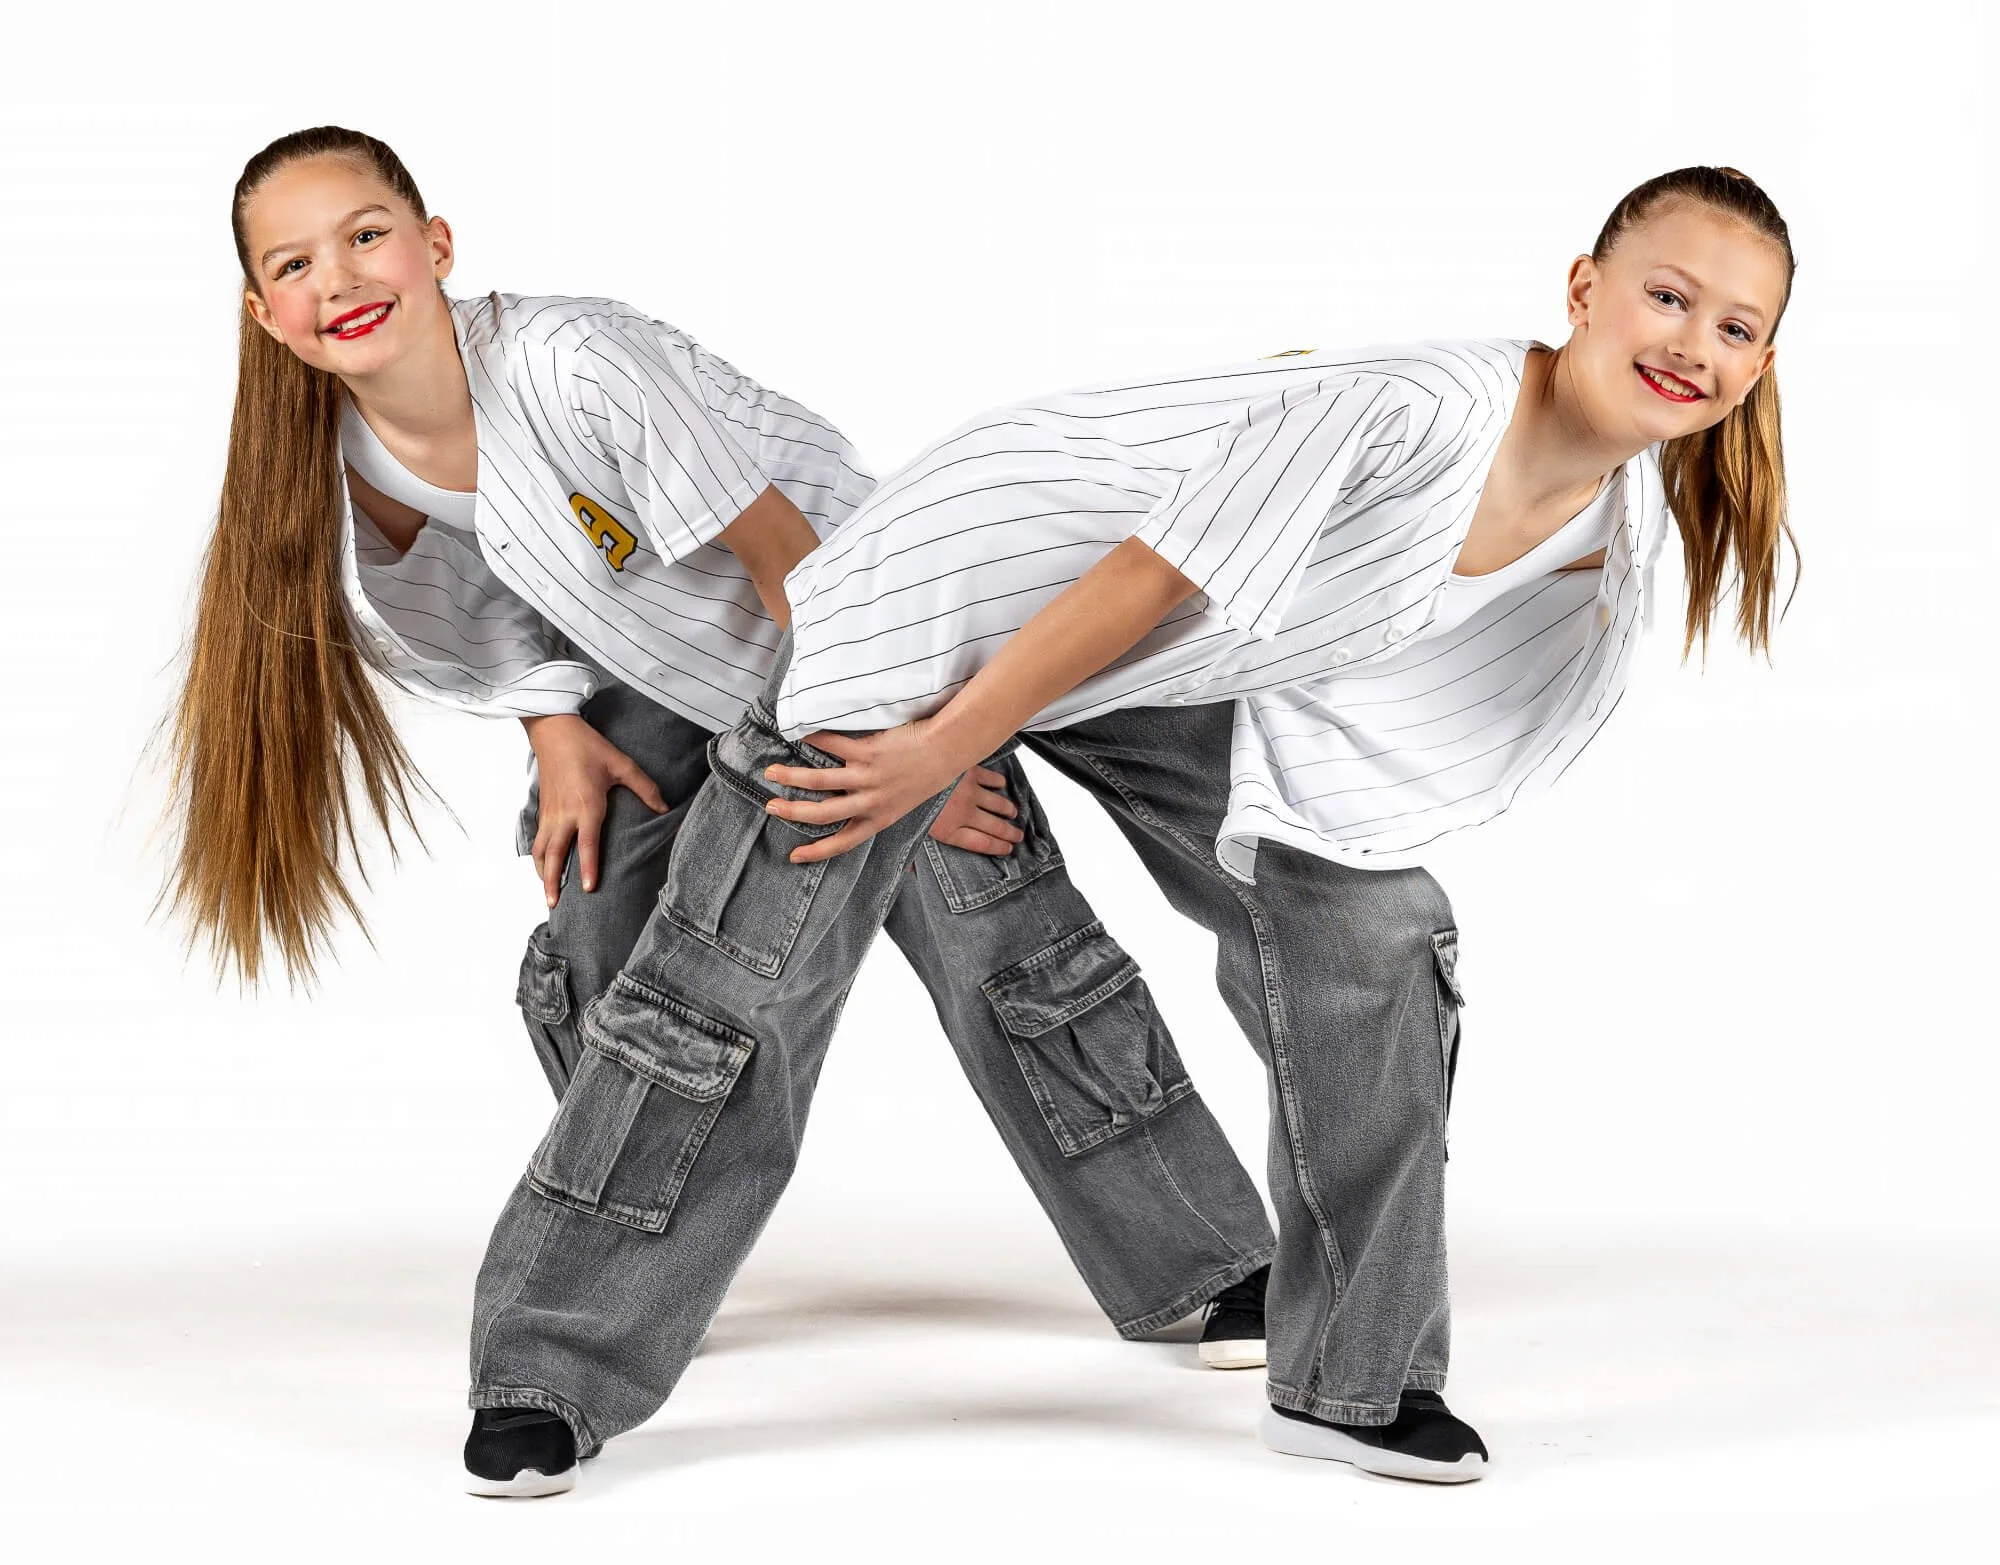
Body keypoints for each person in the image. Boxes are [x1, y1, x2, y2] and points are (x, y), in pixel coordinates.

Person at [463, 165, 1797, 1490]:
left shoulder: (1605, 539)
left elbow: (1364, 693)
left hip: (1177, 667)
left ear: (1760, 362)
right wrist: (943, 745)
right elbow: (1151, 573)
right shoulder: (1413, 408)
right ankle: (548, 1371)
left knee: (1382, 942)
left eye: (1735, 327)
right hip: (951, 609)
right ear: (1585, 290)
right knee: (730, 997)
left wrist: (1309, 868)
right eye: (1667, 297)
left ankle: (1358, 1380)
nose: (1692, 343)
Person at [156, 126, 1283, 1496]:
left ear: (436, 246)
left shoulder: (570, 365)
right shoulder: (335, 484)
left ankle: (1205, 1265)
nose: (340, 274)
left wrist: (925, 752)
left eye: (367, 232)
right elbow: (486, 610)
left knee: (994, 919)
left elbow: (787, 560)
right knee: (597, 939)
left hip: (852, 637)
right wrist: (555, 728)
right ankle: (661, 1215)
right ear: (264, 312)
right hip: (654, 684)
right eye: (295, 261)